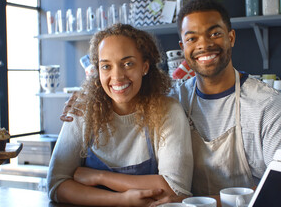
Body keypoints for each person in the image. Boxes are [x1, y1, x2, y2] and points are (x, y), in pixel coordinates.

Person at [61, 0, 281, 200]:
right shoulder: (174, 98)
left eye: (214, 33)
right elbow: (128, 94)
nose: (204, 45)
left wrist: (200, 204)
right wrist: (88, 97)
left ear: (230, 37)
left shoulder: (267, 104)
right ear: (183, 46)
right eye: (192, 38)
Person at [48, 23, 193, 206]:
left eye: (128, 64)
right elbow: (56, 184)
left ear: (145, 67)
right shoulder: (82, 111)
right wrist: (122, 200)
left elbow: (175, 189)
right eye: (106, 66)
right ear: (98, 71)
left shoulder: (167, 111)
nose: (117, 76)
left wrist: (99, 177)